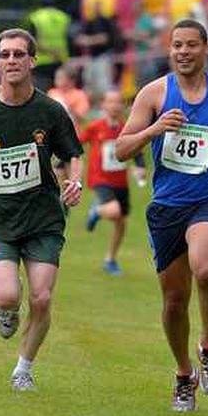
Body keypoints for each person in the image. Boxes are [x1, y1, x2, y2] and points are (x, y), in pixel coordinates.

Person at [115, 18, 208, 413]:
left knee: (207, 269)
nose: (182, 52)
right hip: (167, 206)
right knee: (174, 301)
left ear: (206, 48)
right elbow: (121, 149)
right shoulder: (153, 94)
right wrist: (153, 130)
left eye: (190, 45)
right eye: (176, 45)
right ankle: (185, 374)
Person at [0, 28, 84, 391]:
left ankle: (23, 368)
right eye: (5, 55)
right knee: (8, 294)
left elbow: (73, 152)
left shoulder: (49, 110)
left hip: (43, 218)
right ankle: (6, 308)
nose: (11, 61)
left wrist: (74, 181)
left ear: (32, 60)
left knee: (41, 298)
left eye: (18, 54)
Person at [81, 89, 135, 276]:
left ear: (123, 105)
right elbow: (77, 142)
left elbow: (136, 149)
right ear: (103, 105)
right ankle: (96, 210)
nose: (114, 106)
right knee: (113, 211)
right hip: (100, 179)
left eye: (118, 102)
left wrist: (141, 166)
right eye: (110, 102)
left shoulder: (126, 128)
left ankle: (110, 259)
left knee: (121, 223)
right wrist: (64, 159)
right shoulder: (95, 126)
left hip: (120, 181)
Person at [26, 3, 71, 90]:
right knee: (59, 93)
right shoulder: (63, 17)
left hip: (41, 62)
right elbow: (70, 38)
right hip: (60, 60)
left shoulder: (36, 17)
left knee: (41, 93)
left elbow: (32, 42)